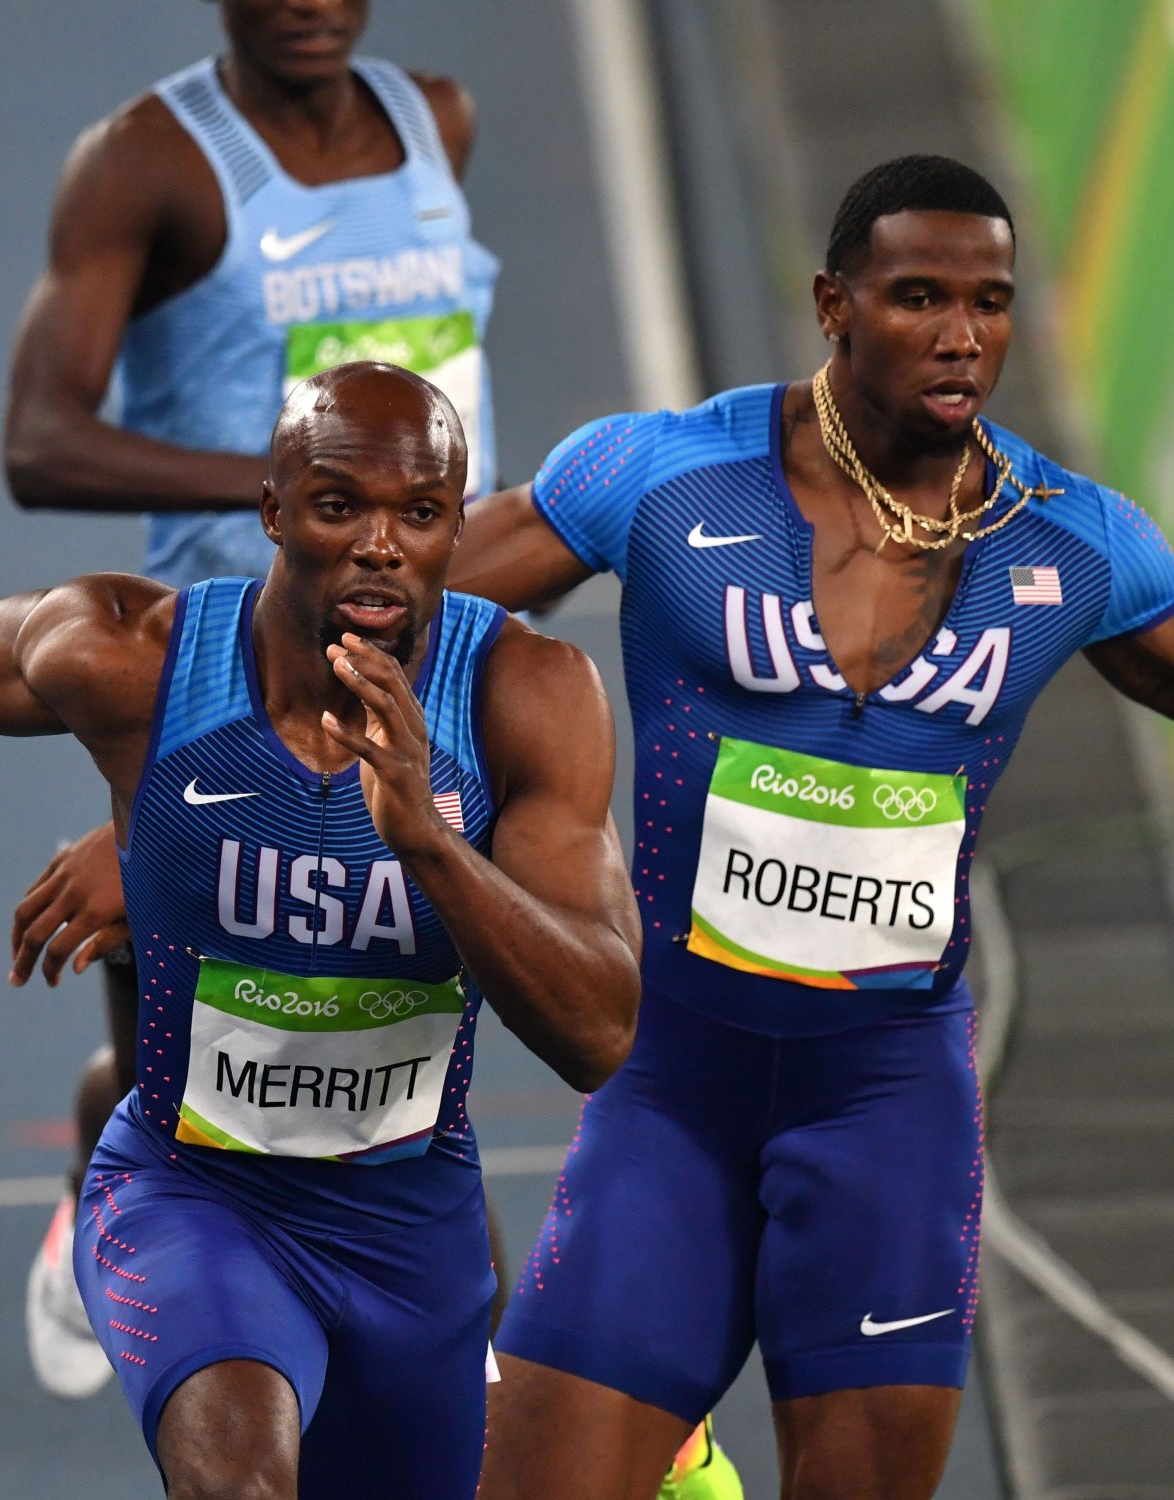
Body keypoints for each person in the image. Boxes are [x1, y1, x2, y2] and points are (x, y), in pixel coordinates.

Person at [0, 363, 641, 1498]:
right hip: (196, 1193)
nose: (379, 545)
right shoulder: (138, 658)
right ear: (270, 511)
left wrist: (432, 847)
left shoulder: (529, 696)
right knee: (240, 1483)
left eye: (418, 514)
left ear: (457, 523)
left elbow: (600, 1030)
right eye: (336, 506)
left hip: (413, 1226)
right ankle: (95, 1163)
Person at [442, 153, 1174, 1500]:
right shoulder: (661, 475)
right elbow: (372, 616)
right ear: (835, 305)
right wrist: (161, 784)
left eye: (992, 302)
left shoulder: (1077, 543)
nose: (962, 335)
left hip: (887, 1107)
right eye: (918, 298)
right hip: (672, 1087)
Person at [0, 0, 501, 1395]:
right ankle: (114, 1187)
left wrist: (399, 525)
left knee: (401, 1053)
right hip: (223, 682)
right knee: (199, 1073)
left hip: (425, 665)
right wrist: (310, 496)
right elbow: (38, 441)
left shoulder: (437, 122)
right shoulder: (149, 162)